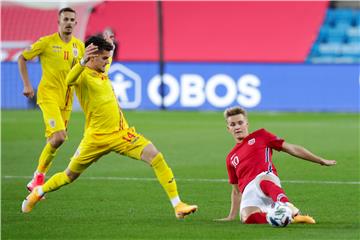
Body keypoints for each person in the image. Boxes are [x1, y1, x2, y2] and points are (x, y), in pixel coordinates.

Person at [21, 36, 198, 219]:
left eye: (108, 58)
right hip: (95, 138)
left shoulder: (102, 68)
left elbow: (107, 56)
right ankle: (39, 191)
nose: (108, 61)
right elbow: (68, 80)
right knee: (69, 176)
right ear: (92, 57)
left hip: (122, 134)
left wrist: (109, 43)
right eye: (104, 58)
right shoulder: (82, 76)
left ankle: (178, 205)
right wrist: (82, 61)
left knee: (156, 157)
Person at [18, 7, 97, 192]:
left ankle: (36, 181)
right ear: (59, 22)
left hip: (67, 100)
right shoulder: (46, 42)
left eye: (72, 20)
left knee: (54, 141)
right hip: (48, 96)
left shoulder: (79, 46)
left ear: (76, 23)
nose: (69, 23)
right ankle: (38, 178)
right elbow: (22, 58)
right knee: (60, 137)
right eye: (65, 19)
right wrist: (27, 85)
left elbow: (82, 71)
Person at [216, 106, 336, 224]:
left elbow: (291, 148)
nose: (237, 127)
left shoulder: (261, 136)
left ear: (247, 124)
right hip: (249, 190)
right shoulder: (230, 158)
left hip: (265, 178)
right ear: (228, 128)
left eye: (240, 122)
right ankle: (286, 217)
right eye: (232, 124)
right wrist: (231, 216)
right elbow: (236, 191)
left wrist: (320, 160)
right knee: (246, 217)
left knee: (263, 181)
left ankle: (291, 209)